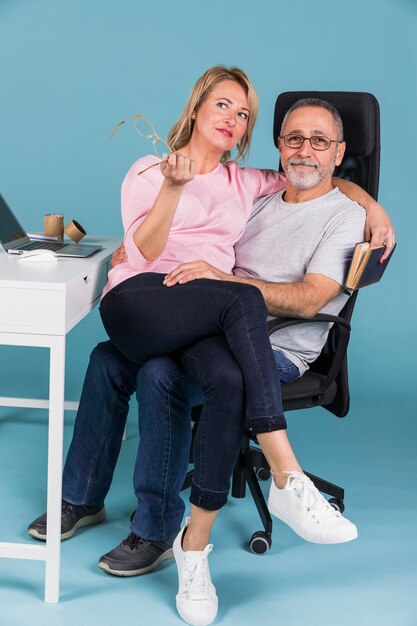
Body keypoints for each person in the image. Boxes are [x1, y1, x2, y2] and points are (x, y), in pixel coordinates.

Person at [28, 68, 394, 623]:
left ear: (340, 151)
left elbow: (312, 255)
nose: (304, 149)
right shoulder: (182, 176)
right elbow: (149, 248)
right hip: (160, 303)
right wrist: (168, 204)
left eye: (242, 112)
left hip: (225, 325)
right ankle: (284, 475)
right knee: (227, 306)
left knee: (128, 366)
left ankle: (163, 534)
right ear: (198, 108)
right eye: (293, 137)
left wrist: (373, 203)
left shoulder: (264, 190)